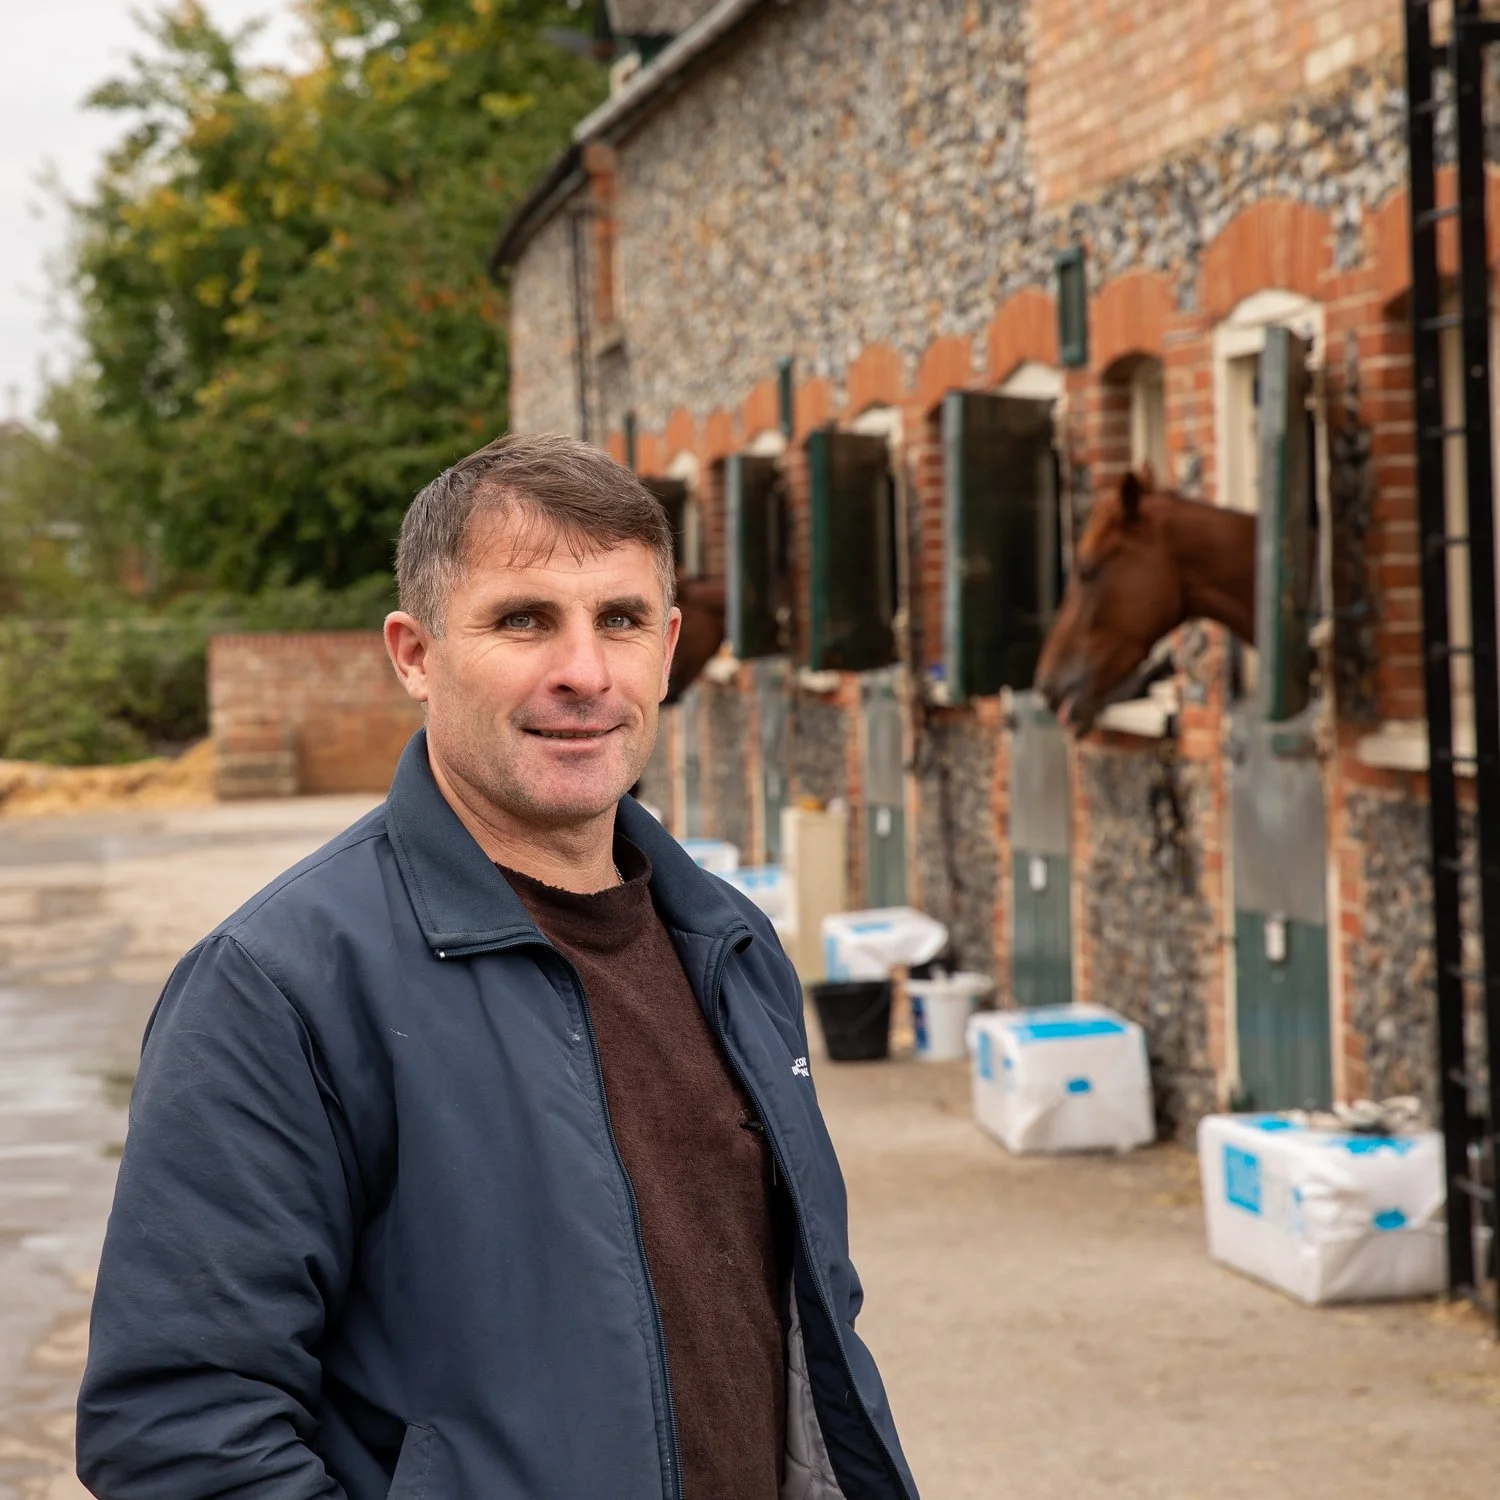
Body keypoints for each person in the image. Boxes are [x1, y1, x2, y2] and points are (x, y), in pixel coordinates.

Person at [76, 433, 918, 1500]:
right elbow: (178, 1432)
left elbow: (807, 1344)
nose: (583, 671)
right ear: (414, 654)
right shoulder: (276, 988)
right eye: (523, 620)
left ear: (666, 648)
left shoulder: (731, 948)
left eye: (618, 621)